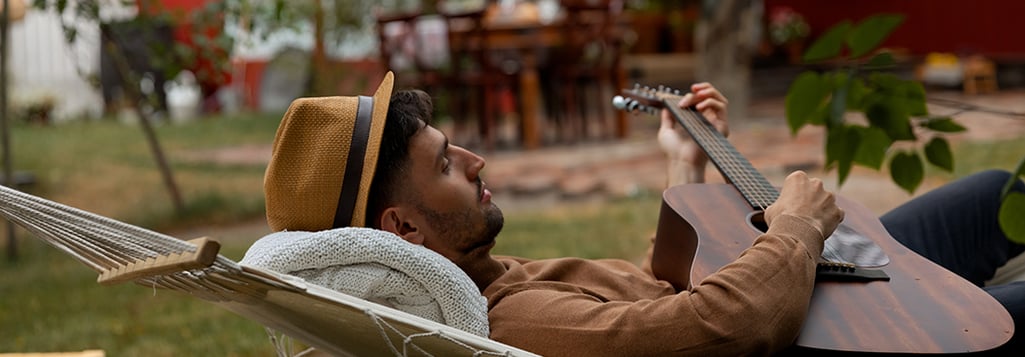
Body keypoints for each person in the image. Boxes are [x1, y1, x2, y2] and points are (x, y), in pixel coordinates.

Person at [261, 72, 1025, 355]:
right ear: (401, 228)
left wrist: (685, 170)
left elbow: (653, 292)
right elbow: (714, 325)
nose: (475, 162)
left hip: (804, 289)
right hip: (821, 324)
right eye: (445, 164)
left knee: (996, 188)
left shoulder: (475, 273)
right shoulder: (509, 323)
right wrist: (796, 225)